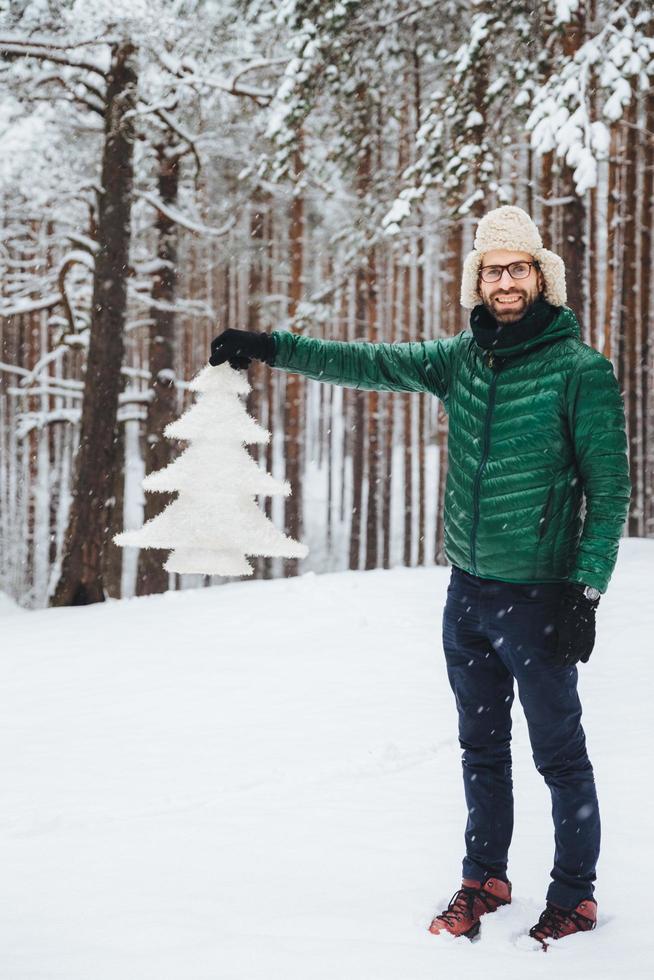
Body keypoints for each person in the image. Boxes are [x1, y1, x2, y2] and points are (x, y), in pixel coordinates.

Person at [208, 205, 631, 948]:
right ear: (479, 279)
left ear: (542, 277)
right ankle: (485, 878)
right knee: (481, 748)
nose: (505, 281)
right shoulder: (460, 359)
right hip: (466, 593)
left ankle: (575, 897)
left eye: (519, 267)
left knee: (558, 754)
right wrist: (270, 346)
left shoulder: (579, 371)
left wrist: (586, 590)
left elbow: (610, 490)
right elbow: (365, 362)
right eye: (493, 269)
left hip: (539, 598)